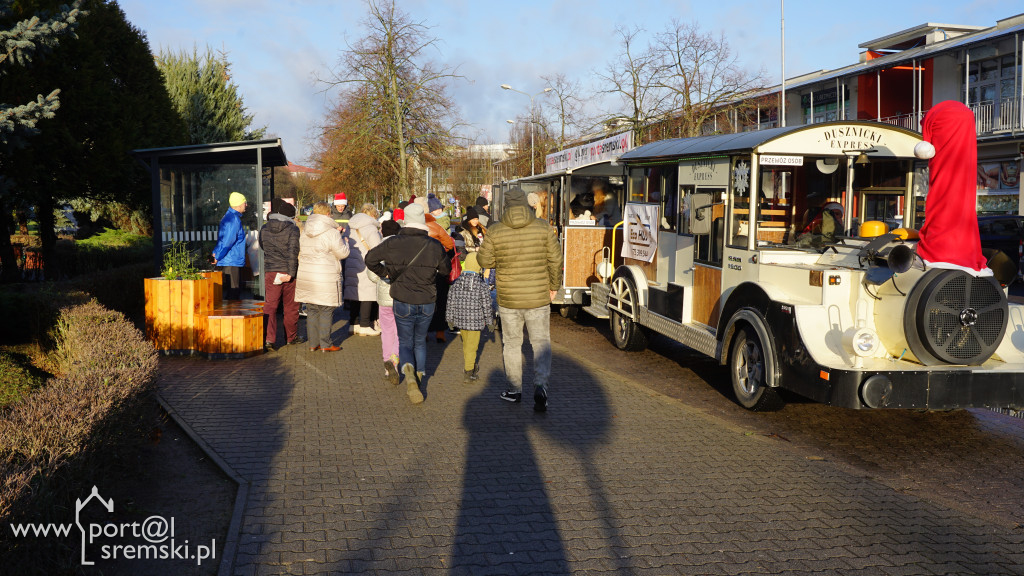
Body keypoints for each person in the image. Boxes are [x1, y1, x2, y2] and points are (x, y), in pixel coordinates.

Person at [478, 186, 562, 412]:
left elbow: (484, 259)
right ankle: (541, 386)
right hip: (538, 296)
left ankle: (514, 390)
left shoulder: (495, 231)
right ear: (525, 203)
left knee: (512, 344)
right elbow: (556, 259)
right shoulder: (543, 228)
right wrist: (554, 286)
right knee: (541, 343)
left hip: (508, 298)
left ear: (505, 205)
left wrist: (500, 259)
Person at [365, 203, 450, 404]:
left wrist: (385, 273)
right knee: (419, 341)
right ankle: (419, 377)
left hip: (402, 298)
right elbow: (446, 270)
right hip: (427, 299)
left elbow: (370, 259)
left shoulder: (393, 242)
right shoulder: (434, 244)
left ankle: (409, 374)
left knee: (405, 341)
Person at [295, 202, 350, 352]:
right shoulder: (331, 232)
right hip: (325, 277)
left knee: (312, 310)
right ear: (327, 214)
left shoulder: (305, 231)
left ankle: (313, 344)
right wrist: (345, 242)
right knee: (326, 310)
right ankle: (326, 344)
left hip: (307, 276)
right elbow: (342, 253)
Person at [259, 198, 303, 351]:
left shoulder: (264, 228)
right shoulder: (293, 229)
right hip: (288, 271)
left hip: (271, 270)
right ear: (291, 217)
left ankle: (269, 339)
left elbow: (263, 246)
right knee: (291, 306)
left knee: (270, 305)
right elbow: (293, 252)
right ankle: (291, 337)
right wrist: (290, 273)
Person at [446, 252, 493, 382]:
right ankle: (468, 372)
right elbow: (487, 305)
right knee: (472, 347)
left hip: (461, 321)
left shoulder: (457, 282)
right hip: (475, 321)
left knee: (467, 345)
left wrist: (449, 319)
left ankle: (471, 365)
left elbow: (450, 302)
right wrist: (489, 322)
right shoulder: (481, 284)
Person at [416, 196, 457, 343]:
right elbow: (450, 245)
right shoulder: (436, 226)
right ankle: (440, 332)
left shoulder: (413, 227)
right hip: (437, 268)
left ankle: (424, 332)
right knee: (440, 300)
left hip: (419, 270)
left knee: (422, 301)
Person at [368, 218, 403, 385]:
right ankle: (395, 361)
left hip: (383, 297)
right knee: (400, 331)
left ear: (382, 232)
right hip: (401, 296)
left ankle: (386, 364)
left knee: (387, 331)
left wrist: (382, 277)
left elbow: (371, 274)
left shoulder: (379, 249)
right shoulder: (403, 249)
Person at [344, 203, 384, 336]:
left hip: (352, 262)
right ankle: (365, 325)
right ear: (373, 215)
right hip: (366, 263)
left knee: (355, 294)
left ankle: (353, 324)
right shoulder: (371, 228)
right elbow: (377, 248)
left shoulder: (351, 225)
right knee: (368, 294)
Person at [212, 191, 248, 300]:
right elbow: (227, 241)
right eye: (245, 203)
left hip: (230, 261)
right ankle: (233, 315)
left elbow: (224, 240)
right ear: (239, 205)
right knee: (234, 294)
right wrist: (217, 256)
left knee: (232, 292)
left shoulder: (230, 217)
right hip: (232, 261)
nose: (246, 205)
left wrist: (216, 253)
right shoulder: (233, 220)